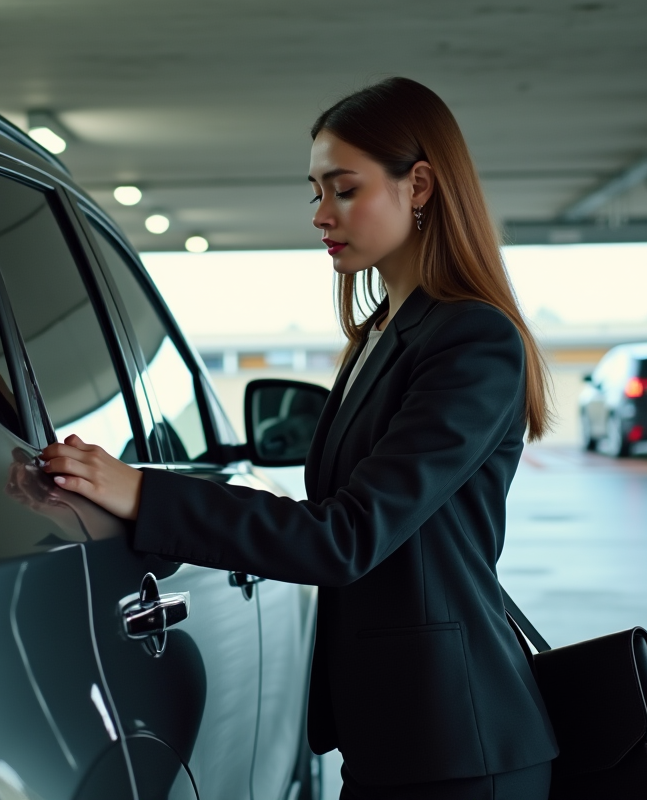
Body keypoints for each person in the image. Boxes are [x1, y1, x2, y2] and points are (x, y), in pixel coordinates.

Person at [41, 77, 558, 800]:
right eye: (314, 191)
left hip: (458, 745)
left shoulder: (472, 340)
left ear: (419, 185)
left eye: (342, 190)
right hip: (398, 734)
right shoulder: (379, 334)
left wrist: (143, 492)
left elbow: (344, 537)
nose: (320, 215)